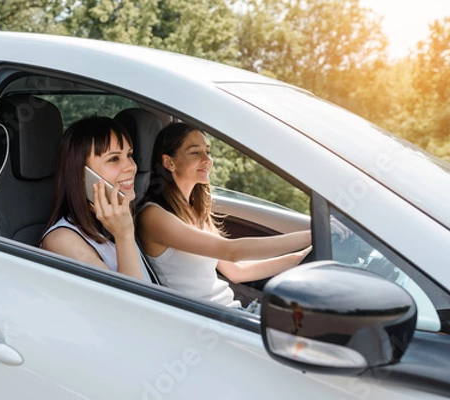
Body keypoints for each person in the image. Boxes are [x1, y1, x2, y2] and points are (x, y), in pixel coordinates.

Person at [136, 122, 313, 309]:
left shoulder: (195, 209)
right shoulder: (153, 216)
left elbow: (237, 271)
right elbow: (232, 251)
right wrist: (311, 235)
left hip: (231, 310)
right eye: (196, 152)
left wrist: (299, 258)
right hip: (203, 318)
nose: (207, 160)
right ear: (169, 162)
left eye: (208, 151)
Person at [41, 116, 150, 282]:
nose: (131, 166)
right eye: (114, 159)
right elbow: (129, 304)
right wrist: (124, 235)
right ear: (82, 175)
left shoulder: (114, 220)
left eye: (129, 155)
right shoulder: (61, 240)